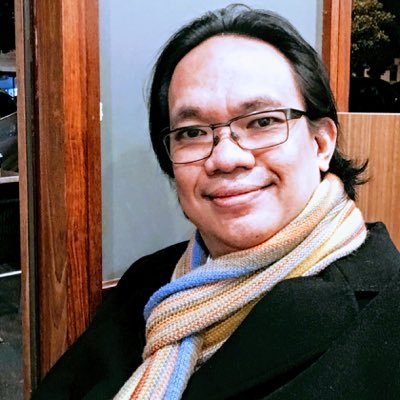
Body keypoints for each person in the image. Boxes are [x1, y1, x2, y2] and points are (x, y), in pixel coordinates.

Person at [31, 4, 400, 400]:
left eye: (262, 122)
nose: (225, 158)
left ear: (321, 143)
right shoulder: (150, 285)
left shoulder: (386, 314)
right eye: (192, 132)